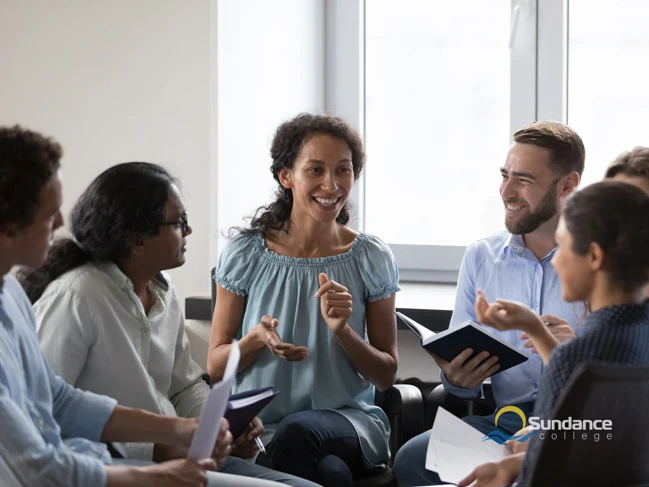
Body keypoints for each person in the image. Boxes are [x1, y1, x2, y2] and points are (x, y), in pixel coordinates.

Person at [19, 161, 319, 487]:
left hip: (178, 454)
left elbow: (183, 386)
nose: (188, 231)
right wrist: (154, 449)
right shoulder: (78, 297)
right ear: (136, 240)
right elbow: (43, 412)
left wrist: (223, 425)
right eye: (179, 222)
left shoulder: (163, 289)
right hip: (114, 468)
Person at [0, 125, 235, 486]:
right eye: (50, 214)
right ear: (9, 225)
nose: (62, 223)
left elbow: (59, 400)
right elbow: (35, 469)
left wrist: (180, 429)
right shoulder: (76, 295)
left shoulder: (11, 294)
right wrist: (155, 472)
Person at [207, 113, 399, 487]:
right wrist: (255, 341)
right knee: (330, 474)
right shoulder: (245, 254)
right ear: (286, 177)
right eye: (315, 170)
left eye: (343, 170)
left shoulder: (370, 257)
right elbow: (216, 366)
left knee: (301, 433)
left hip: (348, 422)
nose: (332, 184)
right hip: (261, 430)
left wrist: (343, 332)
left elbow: (386, 374)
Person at [393, 121, 586, 486]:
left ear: (568, 185)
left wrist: (576, 347)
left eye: (524, 180)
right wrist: (456, 379)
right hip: (503, 422)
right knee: (412, 460)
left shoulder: (599, 261)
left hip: (576, 425)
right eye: (504, 175)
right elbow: (460, 384)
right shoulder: (481, 256)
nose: (506, 191)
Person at [459, 181, 649, 486]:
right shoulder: (639, 335)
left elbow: (542, 472)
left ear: (595, 257)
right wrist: (533, 326)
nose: (555, 260)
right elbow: (602, 439)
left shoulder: (576, 358)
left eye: (562, 247)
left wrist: (510, 469)